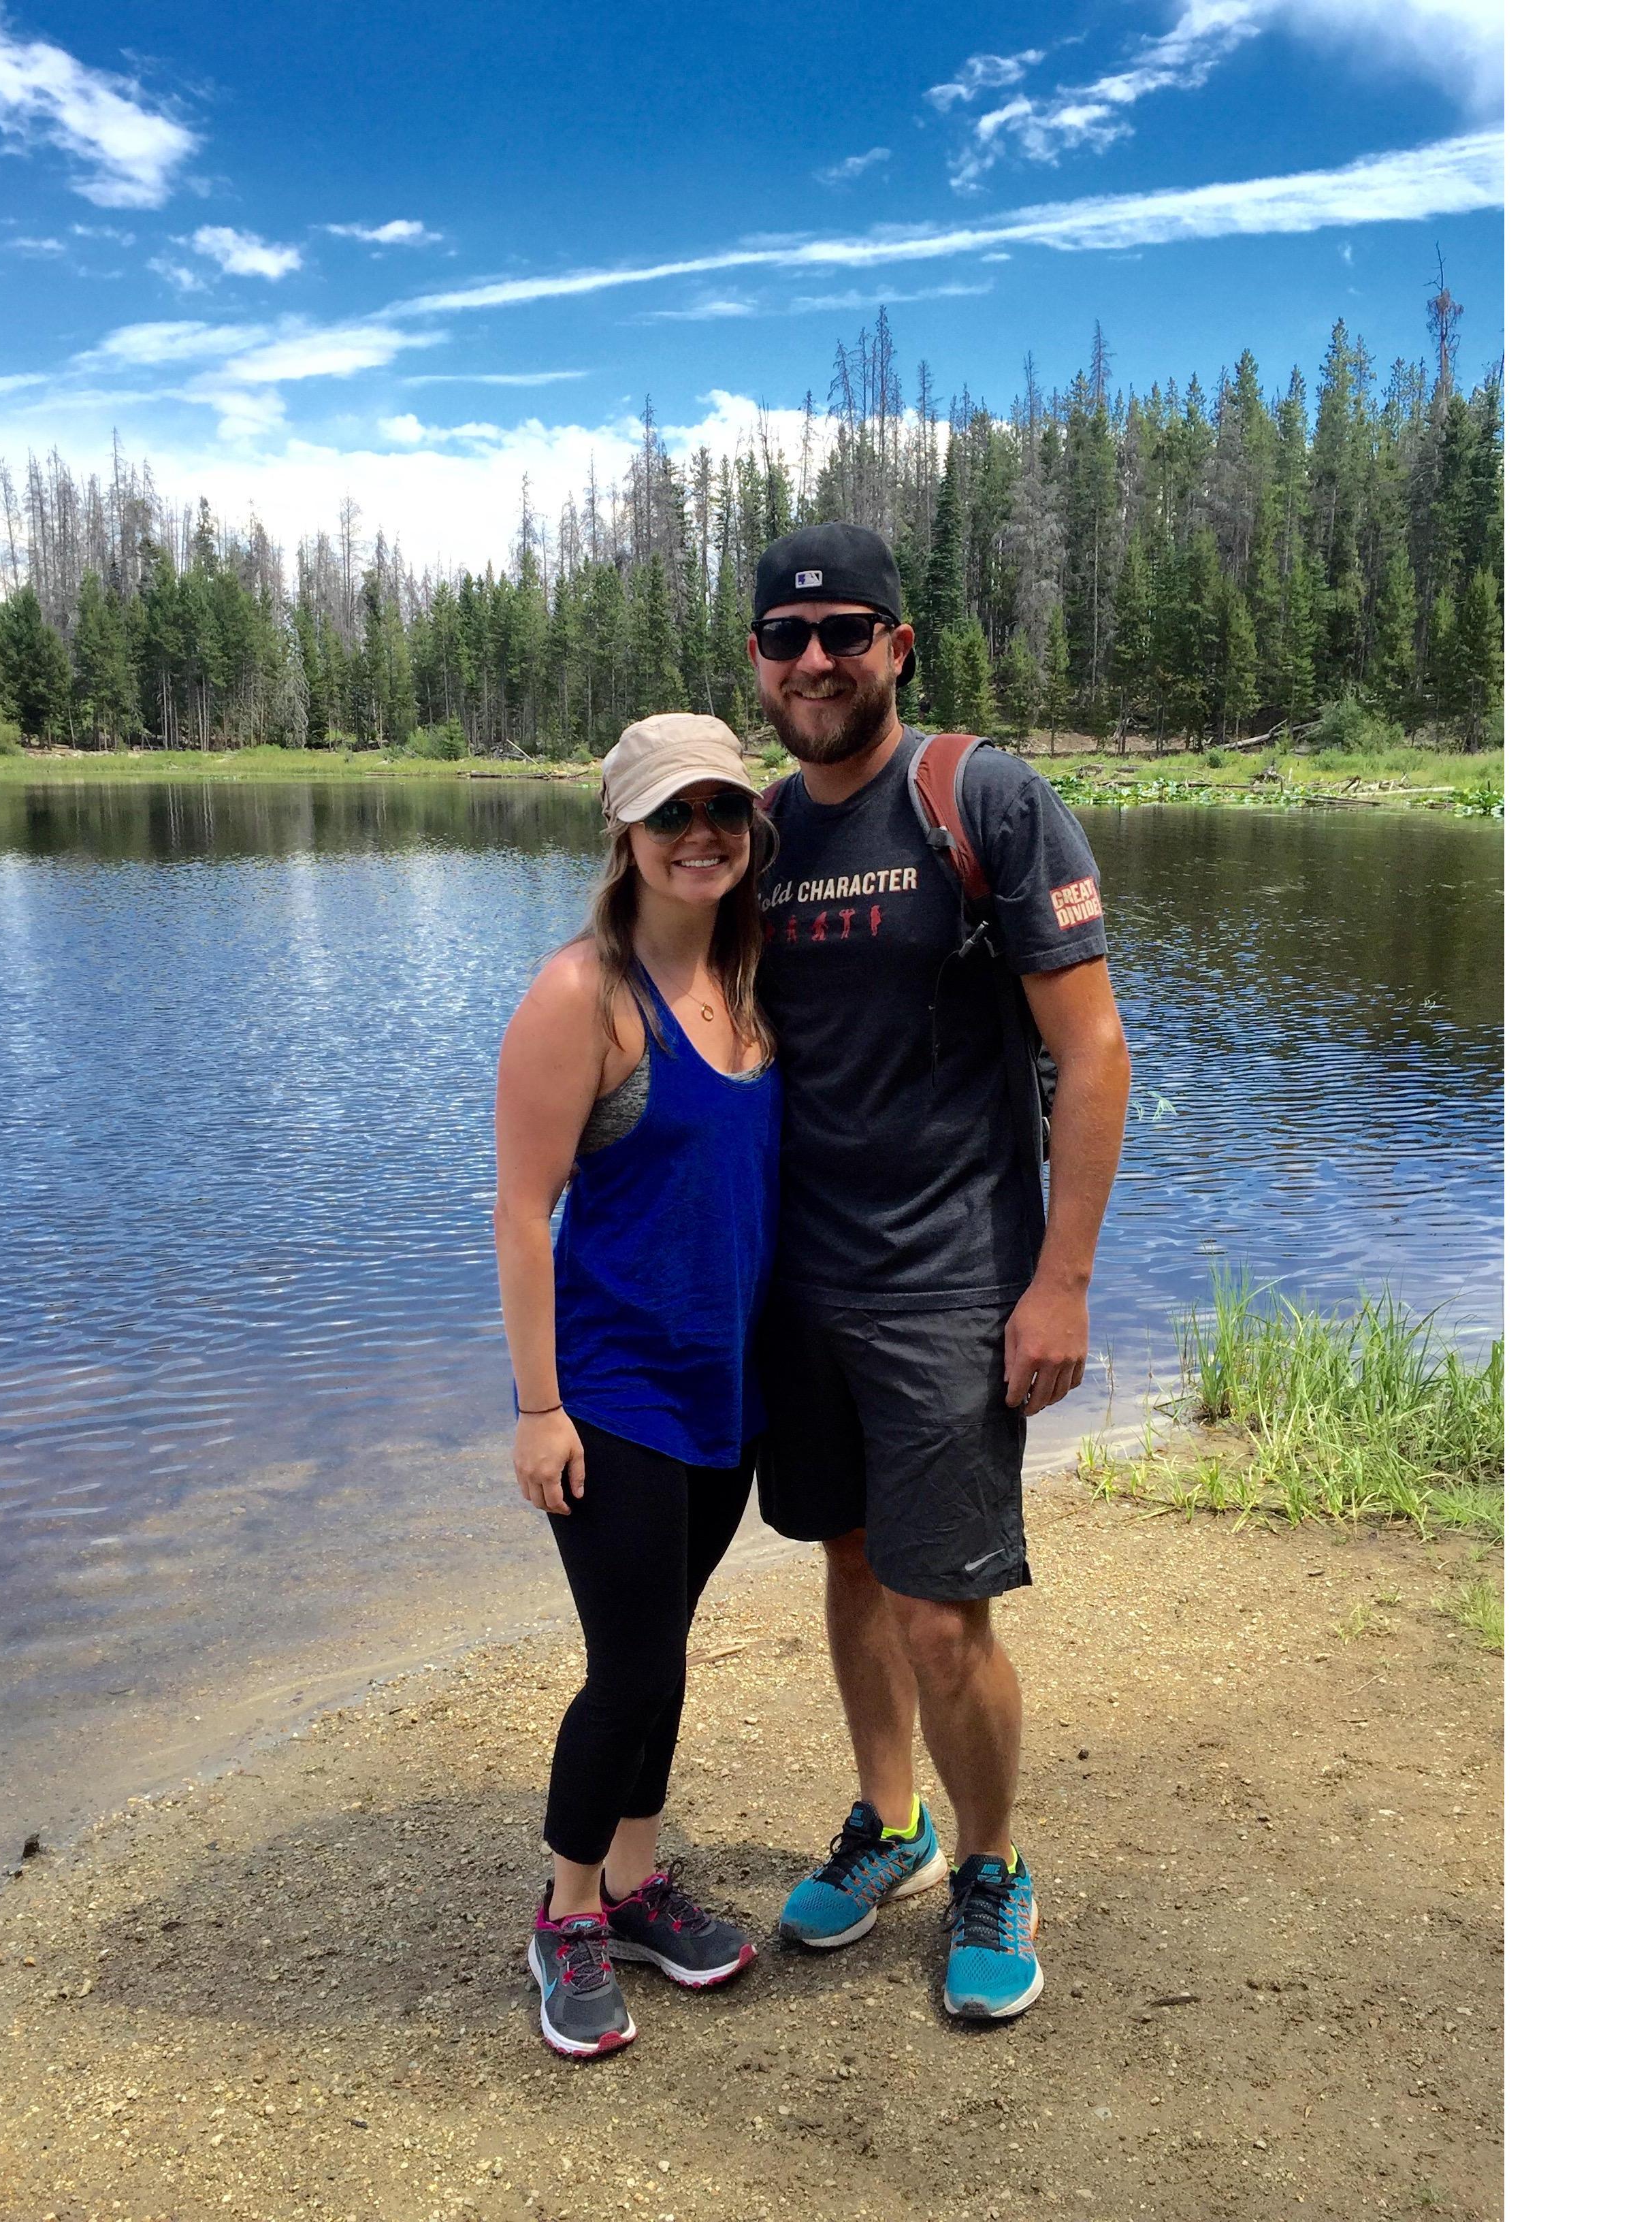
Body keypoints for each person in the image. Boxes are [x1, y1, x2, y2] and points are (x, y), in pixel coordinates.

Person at [746, 522, 1132, 2021]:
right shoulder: (760, 835)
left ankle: (991, 1861)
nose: (818, 660)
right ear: (760, 663)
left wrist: (1064, 1282)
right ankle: (889, 1822)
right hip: (802, 1283)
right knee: (847, 1559)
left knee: (941, 1610)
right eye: (788, 638)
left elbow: (1090, 1053)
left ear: (900, 647)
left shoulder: (980, 800)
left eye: (848, 631)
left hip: (950, 1282)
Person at [492, 711, 780, 2060]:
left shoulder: (752, 975)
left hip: (725, 1388)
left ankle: (638, 1877)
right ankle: (566, 1914)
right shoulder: (581, 996)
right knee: (634, 1665)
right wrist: (538, 1407)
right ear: (625, 832)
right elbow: (521, 1210)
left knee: (664, 1652)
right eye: (673, 815)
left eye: (722, 808)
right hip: (613, 1394)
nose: (702, 834)